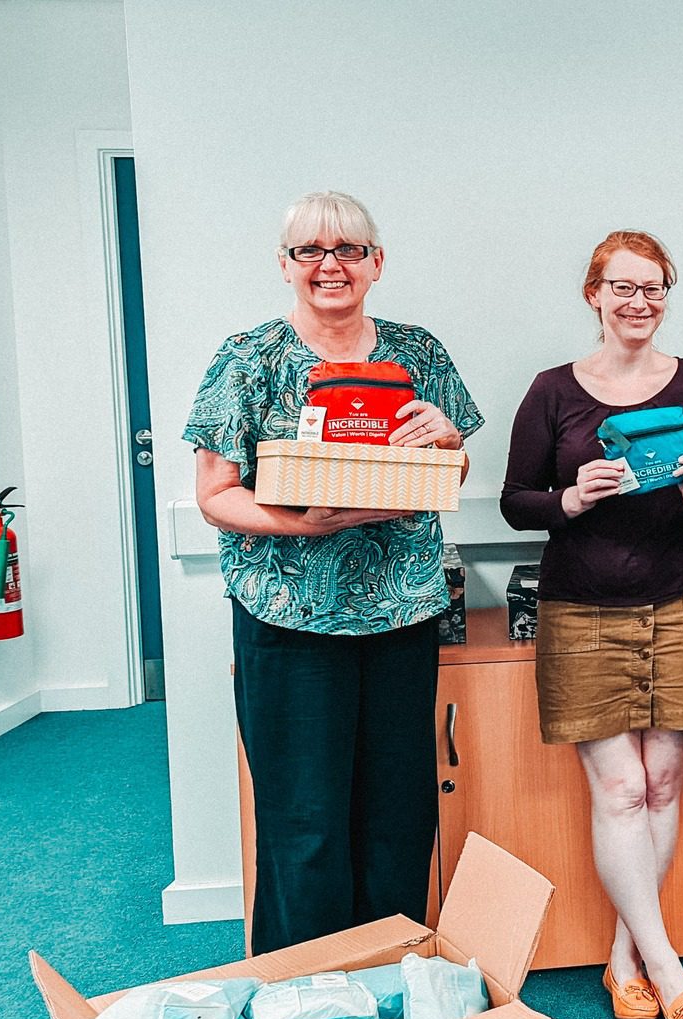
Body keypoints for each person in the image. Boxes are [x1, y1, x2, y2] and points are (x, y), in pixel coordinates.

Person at [185, 191, 480, 953]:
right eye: (310, 250)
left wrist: (449, 442)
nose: (330, 265)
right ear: (285, 265)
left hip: (401, 615)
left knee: (396, 817)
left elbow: (454, 466)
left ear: (376, 262)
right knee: (305, 822)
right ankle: (306, 1000)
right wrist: (301, 523)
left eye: (349, 249)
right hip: (289, 620)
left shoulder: (418, 353)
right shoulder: (248, 358)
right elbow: (215, 497)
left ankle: (389, 982)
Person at [499, 230, 683, 1019]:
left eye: (655, 288)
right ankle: (668, 967)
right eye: (623, 287)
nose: (640, 302)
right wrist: (569, 498)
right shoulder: (552, 392)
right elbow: (515, 500)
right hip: (584, 610)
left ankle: (625, 959)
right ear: (594, 293)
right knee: (621, 789)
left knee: (663, 782)